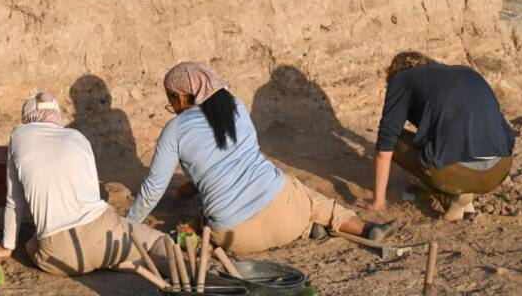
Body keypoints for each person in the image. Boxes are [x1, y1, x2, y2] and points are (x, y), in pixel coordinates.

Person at [128, 62, 393, 255]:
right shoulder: (236, 107)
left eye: (171, 101)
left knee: (202, 222)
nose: (173, 108)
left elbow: (152, 190)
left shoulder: (175, 130)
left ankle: (306, 229)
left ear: (181, 96)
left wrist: (127, 224)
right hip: (287, 217)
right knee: (308, 197)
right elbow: (241, 159)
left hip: (235, 238)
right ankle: (363, 228)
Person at [0, 92, 169, 287]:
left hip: (58, 257)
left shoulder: (19, 135)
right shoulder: (78, 137)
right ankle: (182, 277)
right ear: (56, 115)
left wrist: (7, 247)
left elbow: (14, 200)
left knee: (31, 245)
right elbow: (93, 192)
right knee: (158, 241)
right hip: (101, 232)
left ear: (27, 118)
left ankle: (112, 261)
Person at [369, 52, 514, 221]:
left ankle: (453, 193)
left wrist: (378, 202)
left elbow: (385, 145)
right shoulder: (467, 72)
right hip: (498, 170)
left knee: (395, 141)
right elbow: (507, 134)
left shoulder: (401, 79)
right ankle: (461, 200)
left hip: (459, 173)